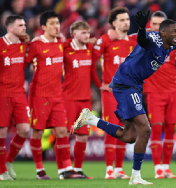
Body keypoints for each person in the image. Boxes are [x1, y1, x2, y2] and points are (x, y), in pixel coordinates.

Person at [71, 10, 176, 185]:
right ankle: (135, 177)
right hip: (126, 84)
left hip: (132, 85)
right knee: (146, 129)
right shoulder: (152, 40)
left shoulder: (170, 43)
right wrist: (142, 27)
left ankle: (91, 119)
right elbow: (142, 40)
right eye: (175, 31)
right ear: (163, 33)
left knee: (129, 136)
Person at [25, 11, 82, 180]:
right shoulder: (36, 44)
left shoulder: (61, 43)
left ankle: (65, 169)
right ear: (43, 27)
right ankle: (39, 170)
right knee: (37, 133)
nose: (56, 26)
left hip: (57, 96)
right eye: (52, 23)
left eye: (57, 23)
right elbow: (24, 63)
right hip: (39, 96)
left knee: (62, 132)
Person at [92, 7, 136, 179]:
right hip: (111, 92)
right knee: (112, 128)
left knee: (126, 129)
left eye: (127, 19)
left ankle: (118, 169)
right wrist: (99, 84)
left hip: (128, 93)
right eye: (122, 20)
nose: (126, 22)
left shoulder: (133, 42)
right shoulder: (105, 40)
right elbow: (91, 62)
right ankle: (109, 169)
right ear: (113, 23)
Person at [144, 11, 176, 179]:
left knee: (170, 130)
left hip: (173, 92)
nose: (157, 28)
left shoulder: (175, 41)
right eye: (154, 24)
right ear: (150, 26)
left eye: (161, 25)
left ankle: (166, 168)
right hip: (154, 92)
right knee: (156, 129)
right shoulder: (144, 40)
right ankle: (157, 169)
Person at [62, 20, 102, 179]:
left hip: (85, 99)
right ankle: (65, 170)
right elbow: (57, 44)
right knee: (64, 133)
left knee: (83, 136)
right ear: (74, 33)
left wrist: (101, 86)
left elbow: (93, 72)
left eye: (88, 32)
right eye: (83, 32)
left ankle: (77, 170)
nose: (87, 35)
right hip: (68, 98)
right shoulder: (66, 48)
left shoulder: (90, 48)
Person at [0, 15, 30, 180]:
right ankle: (2, 171)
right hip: (3, 93)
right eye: (21, 25)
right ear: (10, 28)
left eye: (25, 24)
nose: (24, 27)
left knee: (25, 129)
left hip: (19, 94)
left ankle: (8, 161)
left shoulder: (24, 44)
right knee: (2, 132)